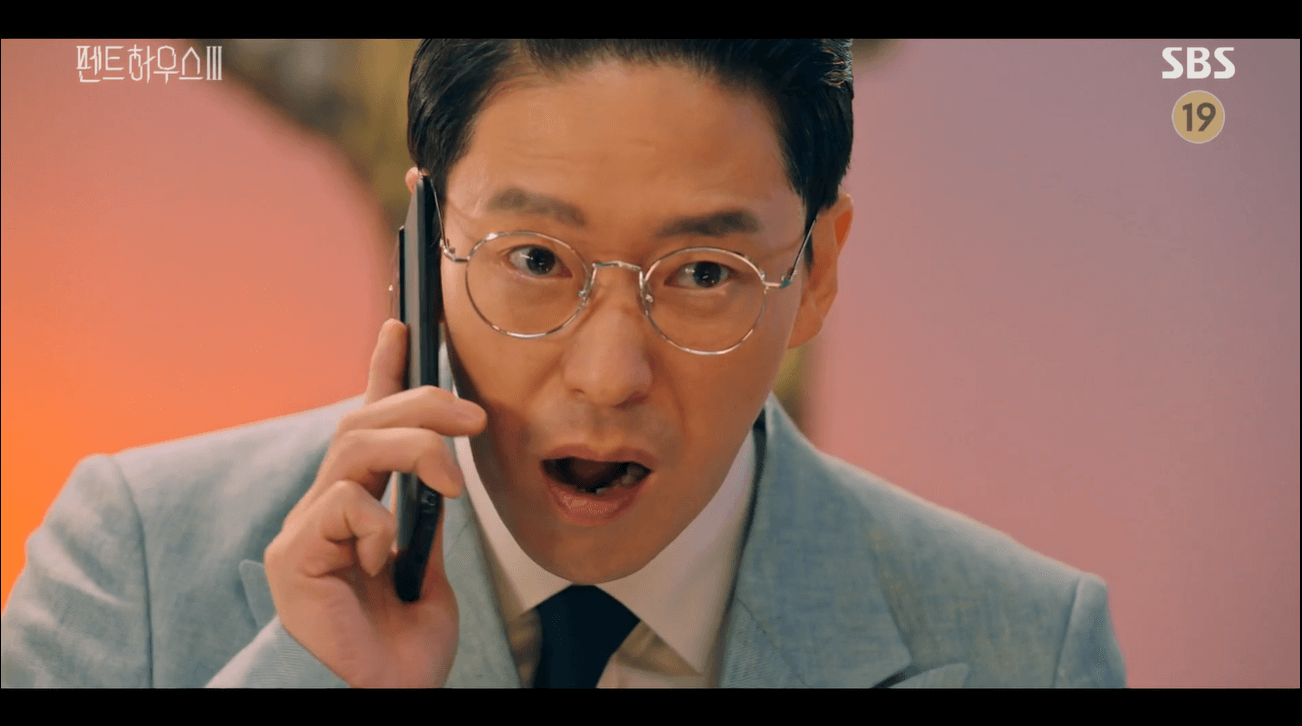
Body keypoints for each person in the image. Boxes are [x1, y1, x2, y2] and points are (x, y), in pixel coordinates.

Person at [1, 39, 1126, 688]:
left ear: (818, 271)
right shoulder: (132, 567)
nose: (608, 374)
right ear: (423, 243)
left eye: (703, 272)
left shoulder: (1033, 646)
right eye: (535, 259)